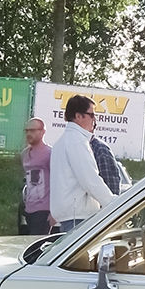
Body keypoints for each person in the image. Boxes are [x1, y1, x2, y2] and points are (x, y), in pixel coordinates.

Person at [49, 95, 115, 233]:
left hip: (71, 217)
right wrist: (114, 204)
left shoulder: (62, 141)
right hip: (78, 218)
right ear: (78, 116)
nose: (94, 120)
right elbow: (90, 180)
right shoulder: (77, 141)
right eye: (91, 115)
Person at [18, 118, 52, 234]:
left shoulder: (50, 154)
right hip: (28, 208)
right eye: (26, 131)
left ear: (42, 132)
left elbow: (58, 183)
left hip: (44, 209)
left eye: (32, 130)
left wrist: (54, 212)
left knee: (37, 246)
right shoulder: (24, 154)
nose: (28, 134)